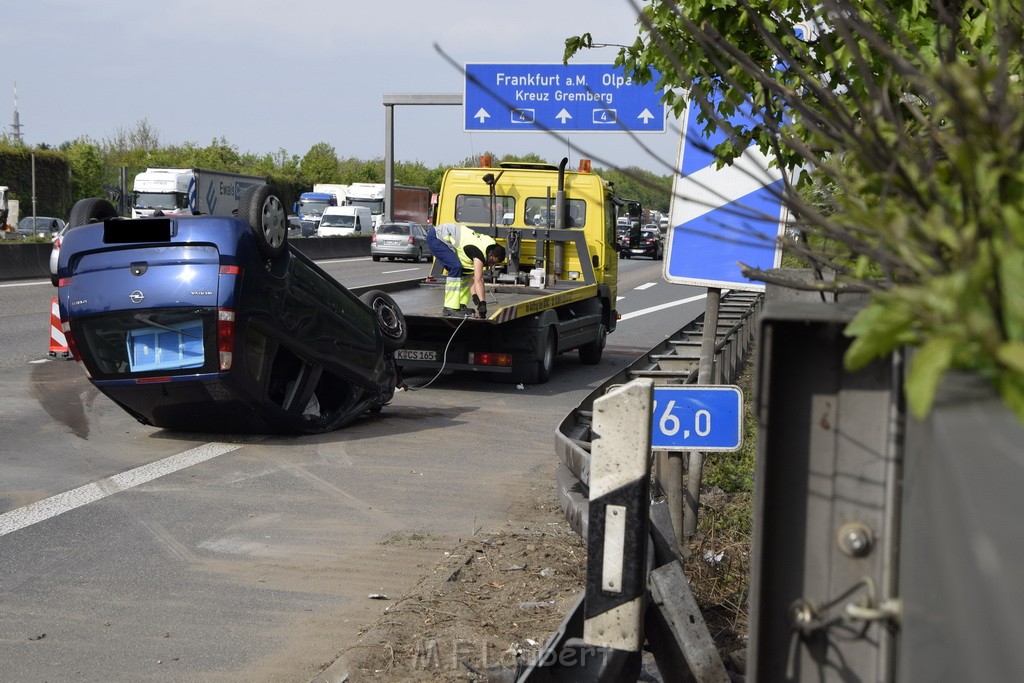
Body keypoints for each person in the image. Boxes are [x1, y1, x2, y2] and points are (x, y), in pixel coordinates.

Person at [426, 222, 506, 318]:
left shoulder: (489, 246)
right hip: (437, 237)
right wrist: (483, 303)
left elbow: (472, 278)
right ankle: (449, 308)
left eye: (494, 263)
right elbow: (478, 279)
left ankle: (460, 305)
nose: (491, 264)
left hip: (446, 239)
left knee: (465, 271)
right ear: (491, 254)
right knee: (455, 267)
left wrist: (475, 296)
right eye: (492, 261)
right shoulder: (479, 253)